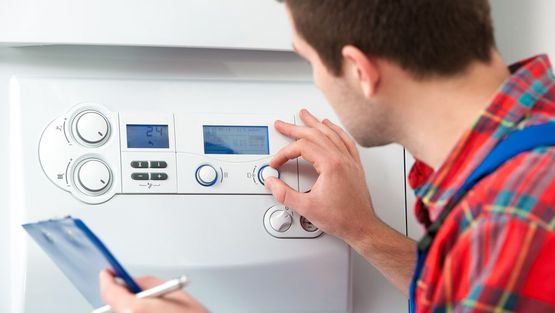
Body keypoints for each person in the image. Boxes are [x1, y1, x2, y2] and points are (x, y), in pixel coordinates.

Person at [100, 0, 555, 312]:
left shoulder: (508, 219)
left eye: (309, 60)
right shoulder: (527, 148)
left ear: (360, 70)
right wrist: (363, 231)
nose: (317, 81)